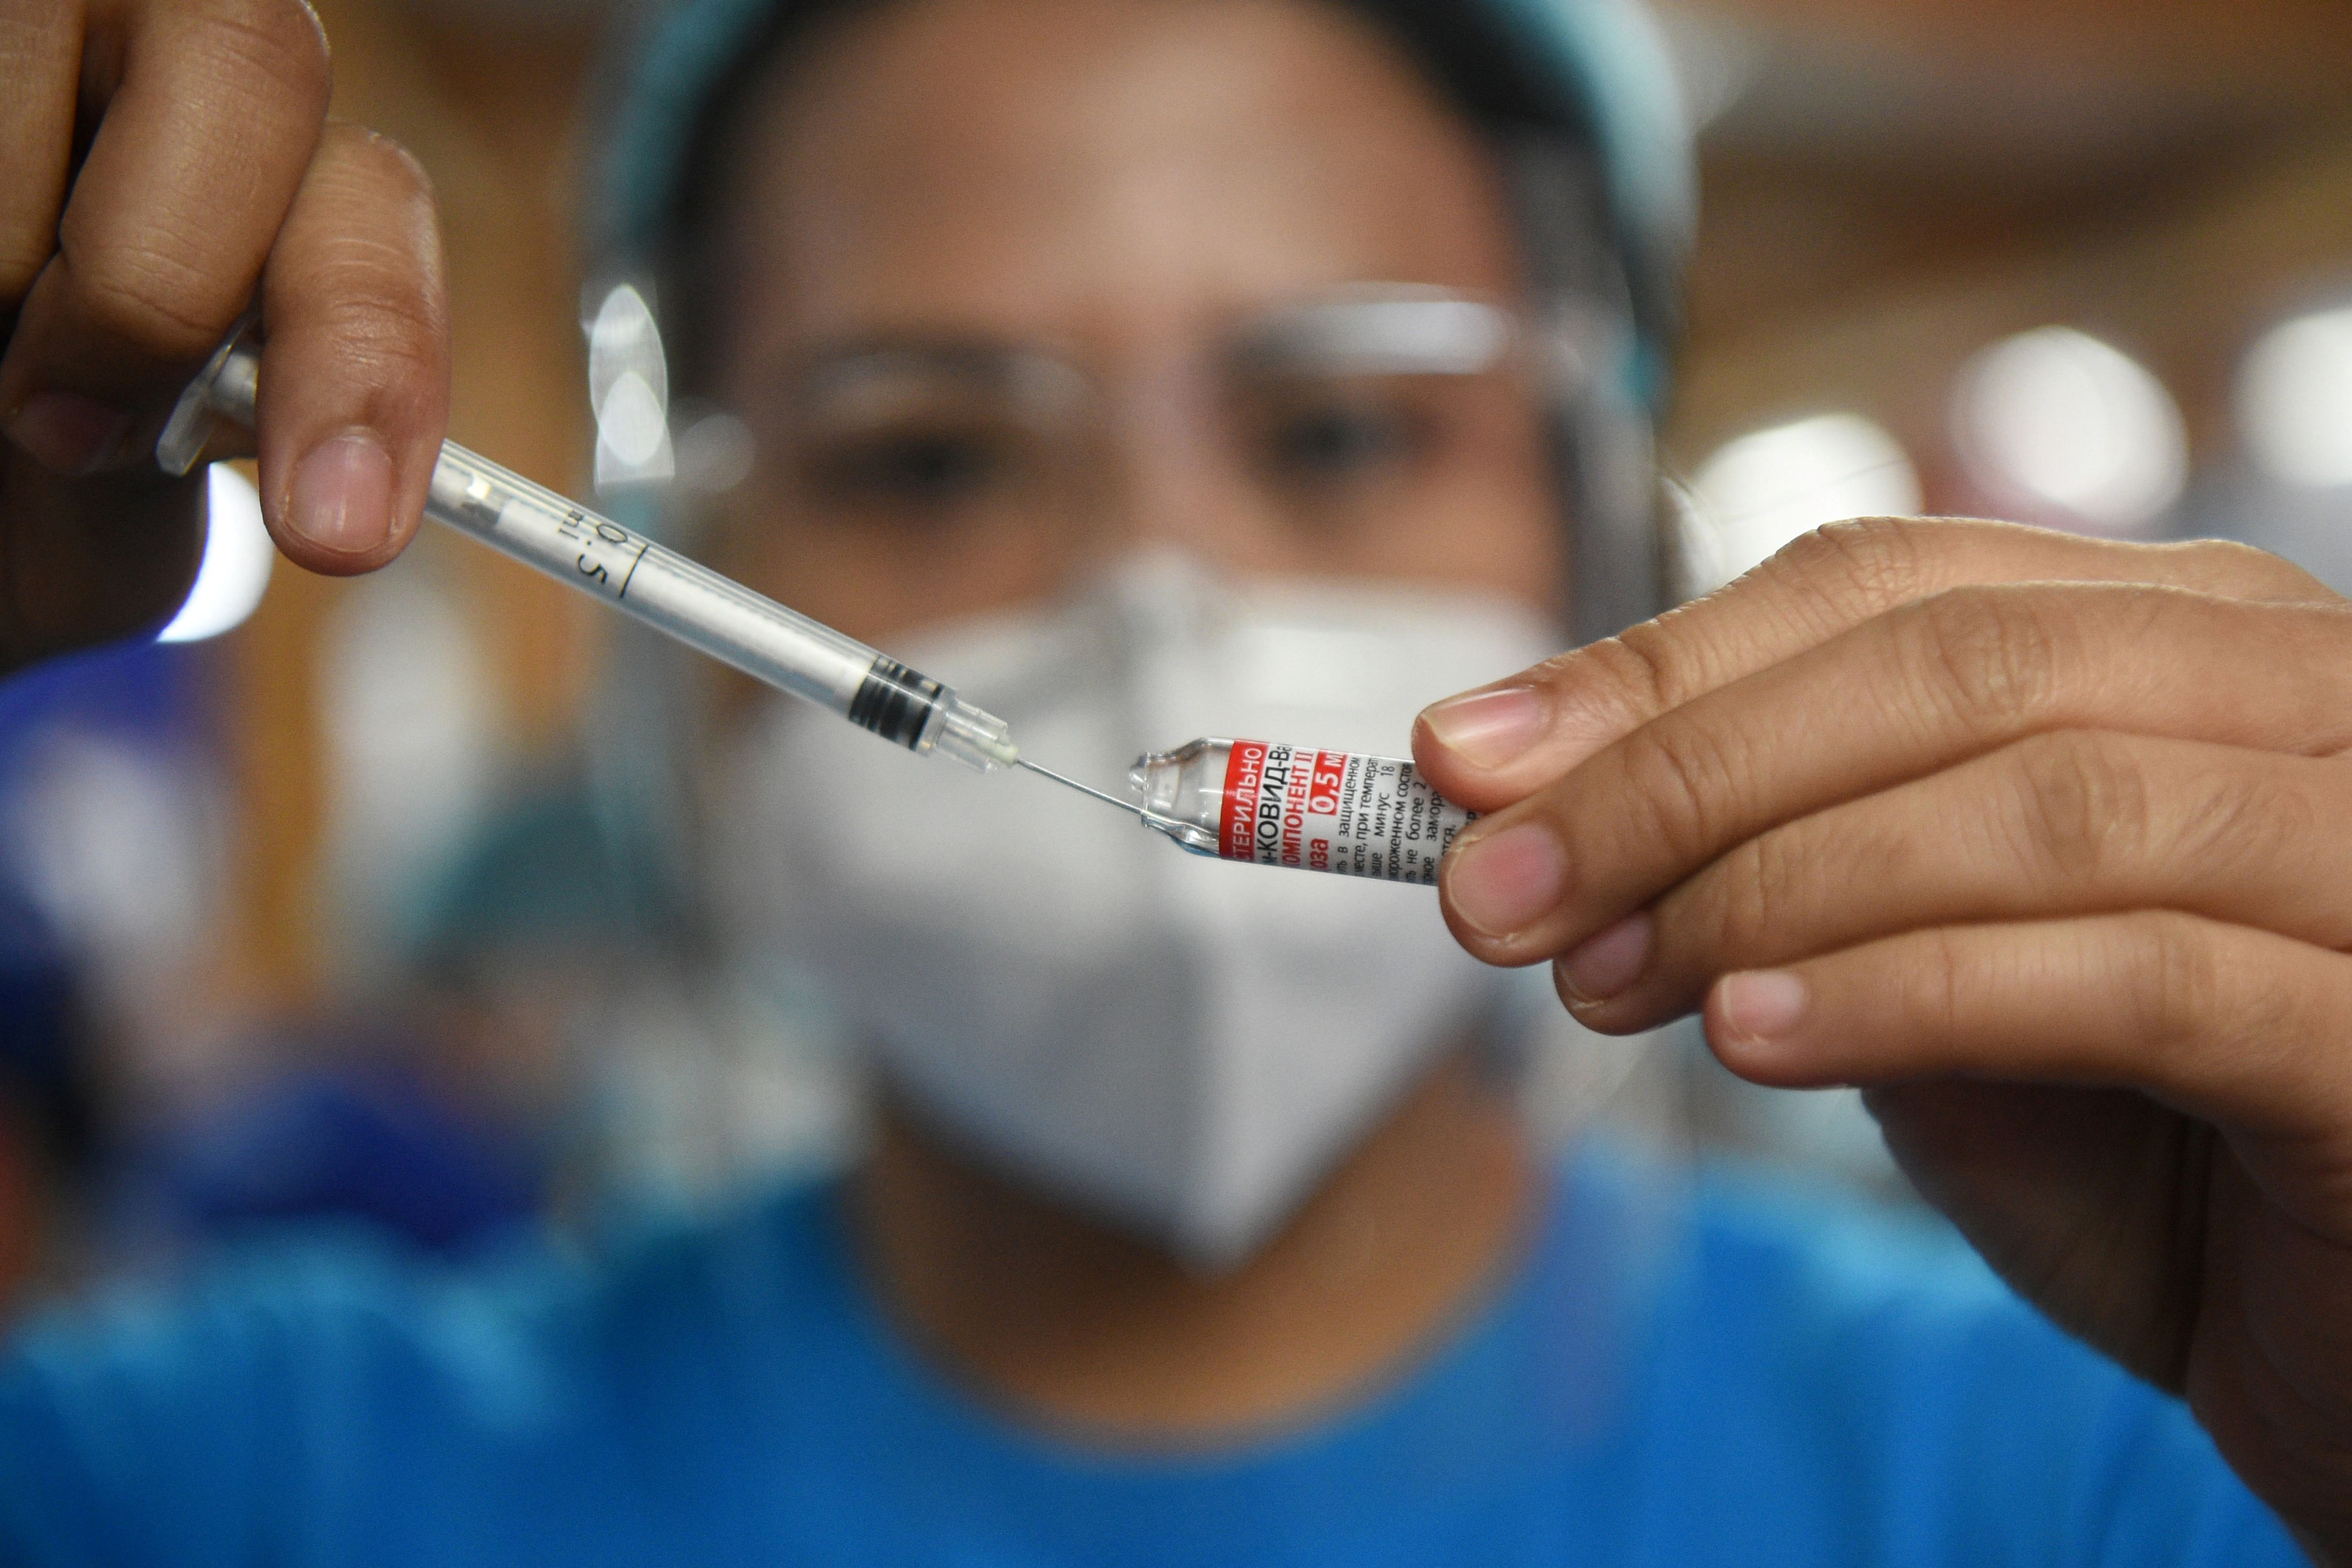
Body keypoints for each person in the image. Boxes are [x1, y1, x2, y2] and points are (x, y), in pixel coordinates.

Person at [1, 0, 2348, 1563]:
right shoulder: (219, 1486)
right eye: (924, 448)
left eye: (1337, 422)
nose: (1154, 591)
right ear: (686, 617)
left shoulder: (2131, 1459)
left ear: (1604, 535)